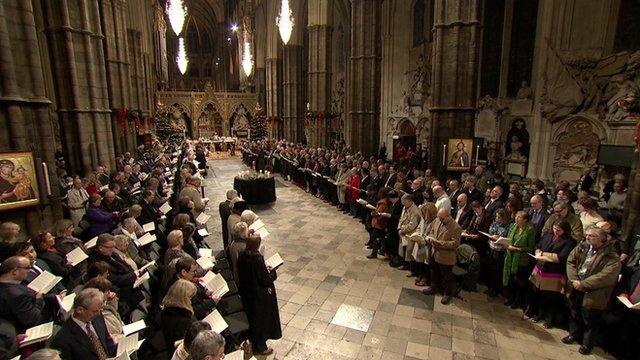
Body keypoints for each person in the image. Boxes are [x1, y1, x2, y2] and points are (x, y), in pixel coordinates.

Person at [564, 227, 621, 355]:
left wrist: (584, 284)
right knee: (575, 312)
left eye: (591, 236)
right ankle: (573, 335)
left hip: (594, 291)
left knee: (590, 319)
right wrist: (574, 280)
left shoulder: (611, 255)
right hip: (576, 285)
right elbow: (570, 261)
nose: (587, 237)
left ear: (601, 239)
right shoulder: (582, 247)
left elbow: (607, 276)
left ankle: (587, 344)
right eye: (587, 235)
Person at [237, 236, 282, 355]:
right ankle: (260, 347)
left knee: (252, 318)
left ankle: (254, 342)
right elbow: (265, 280)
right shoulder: (257, 258)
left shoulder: (242, 255)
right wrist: (273, 272)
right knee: (261, 321)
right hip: (258, 296)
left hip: (247, 292)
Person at [527, 220, 575, 328]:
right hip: (541, 269)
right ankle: (539, 314)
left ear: (565, 230)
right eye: (554, 228)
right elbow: (538, 245)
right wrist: (538, 251)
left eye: (559, 230)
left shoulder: (569, 241)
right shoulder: (548, 235)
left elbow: (562, 257)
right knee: (539, 293)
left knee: (551, 297)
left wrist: (544, 254)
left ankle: (550, 319)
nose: (556, 231)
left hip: (554, 272)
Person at [50, 288, 118, 359]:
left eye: (99, 310)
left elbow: (107, 341)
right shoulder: (62, 340)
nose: (98, 314)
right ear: (80, 310)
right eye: (95, 311)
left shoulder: (97, 316)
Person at [422, 209, 462, 305]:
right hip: (435, 252)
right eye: (439, 217)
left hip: (446, 256)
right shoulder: (437, 220)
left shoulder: (456, 227)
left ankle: (447, 293)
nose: (439, 219)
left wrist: (442, 243)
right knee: (434, 271)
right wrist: (431, 238)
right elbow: (432, 231)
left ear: (448, 216)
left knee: (446, 276)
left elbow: (455, 243)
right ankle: (433, 287)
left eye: (441, 218)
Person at [0, 256, 50, 333]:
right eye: (27, 267)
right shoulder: (16, 295)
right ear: (15, 272)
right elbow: (33, 319)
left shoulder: (8, 285)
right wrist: (39, 298)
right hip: (30, 330)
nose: (30, 270)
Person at [502, 211, 535, 310]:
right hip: (510, 256)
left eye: (519, 217)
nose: (516, 219)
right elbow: (508, 239)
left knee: (519, 281)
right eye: (516, 216)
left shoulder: (529, 231)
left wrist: (517, 249)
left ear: (525, 220)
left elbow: (530, 247)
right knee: (511, 280)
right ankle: (511, 297)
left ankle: (518, 300)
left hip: (521, 259)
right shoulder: (513, 227)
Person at [83, 277, 126, 344]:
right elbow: (114, 330)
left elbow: (115, 314)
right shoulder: (98, 312)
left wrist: (113, 301)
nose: (110, 292)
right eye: (107, 291)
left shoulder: (106, 304)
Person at [161, 279, 198, 348]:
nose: (191, 301)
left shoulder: (166, 309)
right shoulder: (185, 319)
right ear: (182, 299)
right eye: (190, 297)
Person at [484, 208, 512, 297]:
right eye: (496, 216)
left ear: (504, 218)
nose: (497, 218)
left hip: (500, 251)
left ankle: (496, 289)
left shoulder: (508, 226)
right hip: (492, 247)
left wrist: (498, 237)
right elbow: (490, 230)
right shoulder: (495, 223)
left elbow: (507, 237)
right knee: (491, 269)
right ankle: (490, 287)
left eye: (499, 217)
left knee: (497, 271)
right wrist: (492, 235)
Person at [397, 194, 422, 270]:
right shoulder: (405, 207)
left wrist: (403, 230)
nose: (402, 204)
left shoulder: (415, 211)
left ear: (409, 201)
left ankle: (410, 268)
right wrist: (399, 228)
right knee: (404, 250)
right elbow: (401, 219)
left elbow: (412, 225)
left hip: (409, 234)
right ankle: (404, 264)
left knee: (409, 252)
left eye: (404, 202)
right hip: (403, 233)